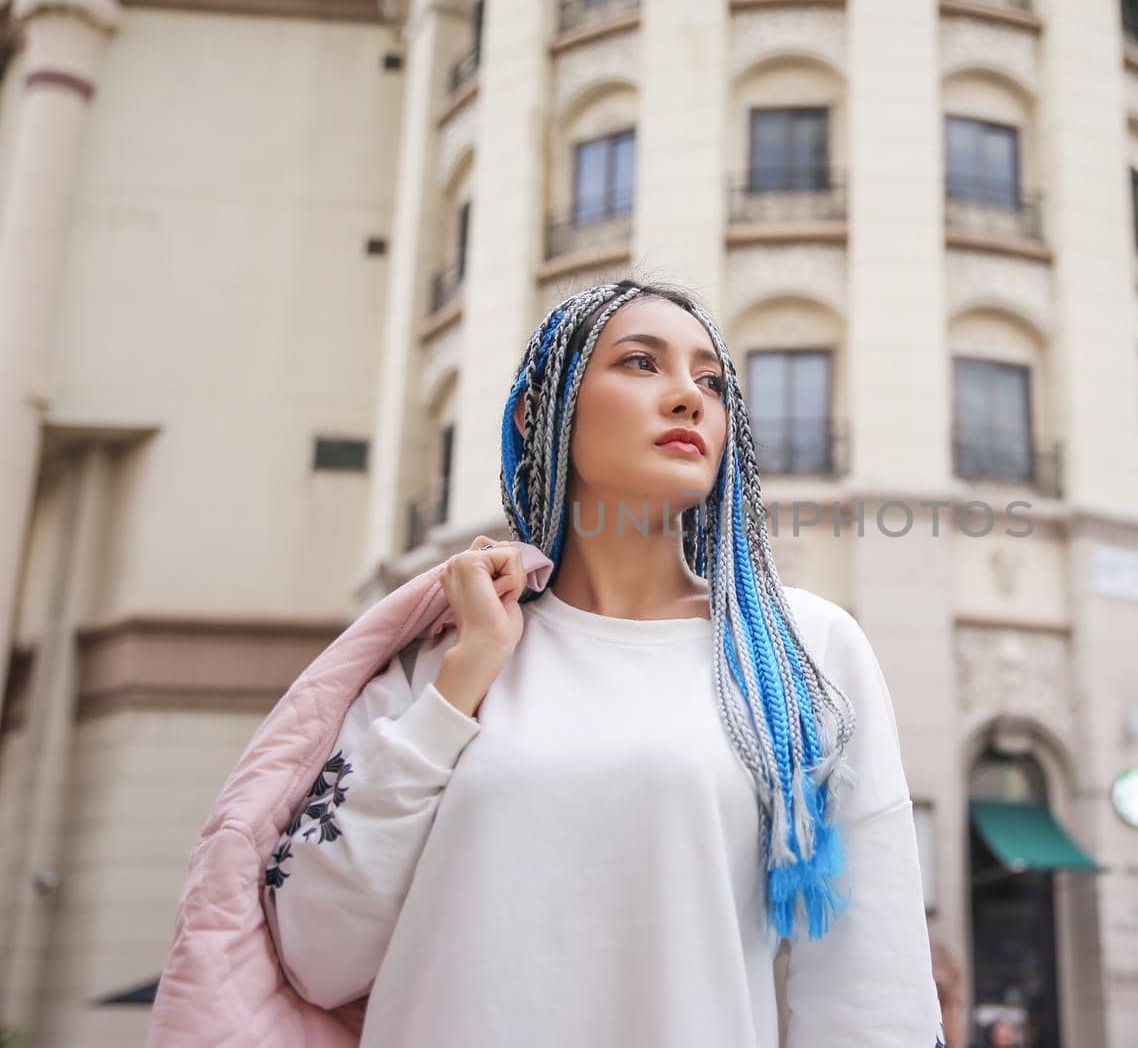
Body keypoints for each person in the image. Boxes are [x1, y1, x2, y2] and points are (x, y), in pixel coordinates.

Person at [260, 280, 944, 1046]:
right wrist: (464, 679)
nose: (689, 396)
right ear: (537, 413)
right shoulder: (443, 656)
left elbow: (872, 991)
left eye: (711, 381)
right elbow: (316, 952)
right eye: (641, 362)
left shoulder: (801, 651)